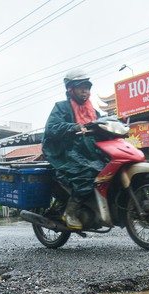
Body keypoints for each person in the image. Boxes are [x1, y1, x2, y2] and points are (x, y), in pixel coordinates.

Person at [42, 69, 106, 229]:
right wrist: (73, 127)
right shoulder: (61, 108)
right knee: (87, 175)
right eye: (80, 87)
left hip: (91, 153)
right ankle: (71, 211)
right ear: (71, 90)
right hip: (67, 155)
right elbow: (52, 128)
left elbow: (103, 124)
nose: (85, 91)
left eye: (87, 87)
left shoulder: (93, 111)